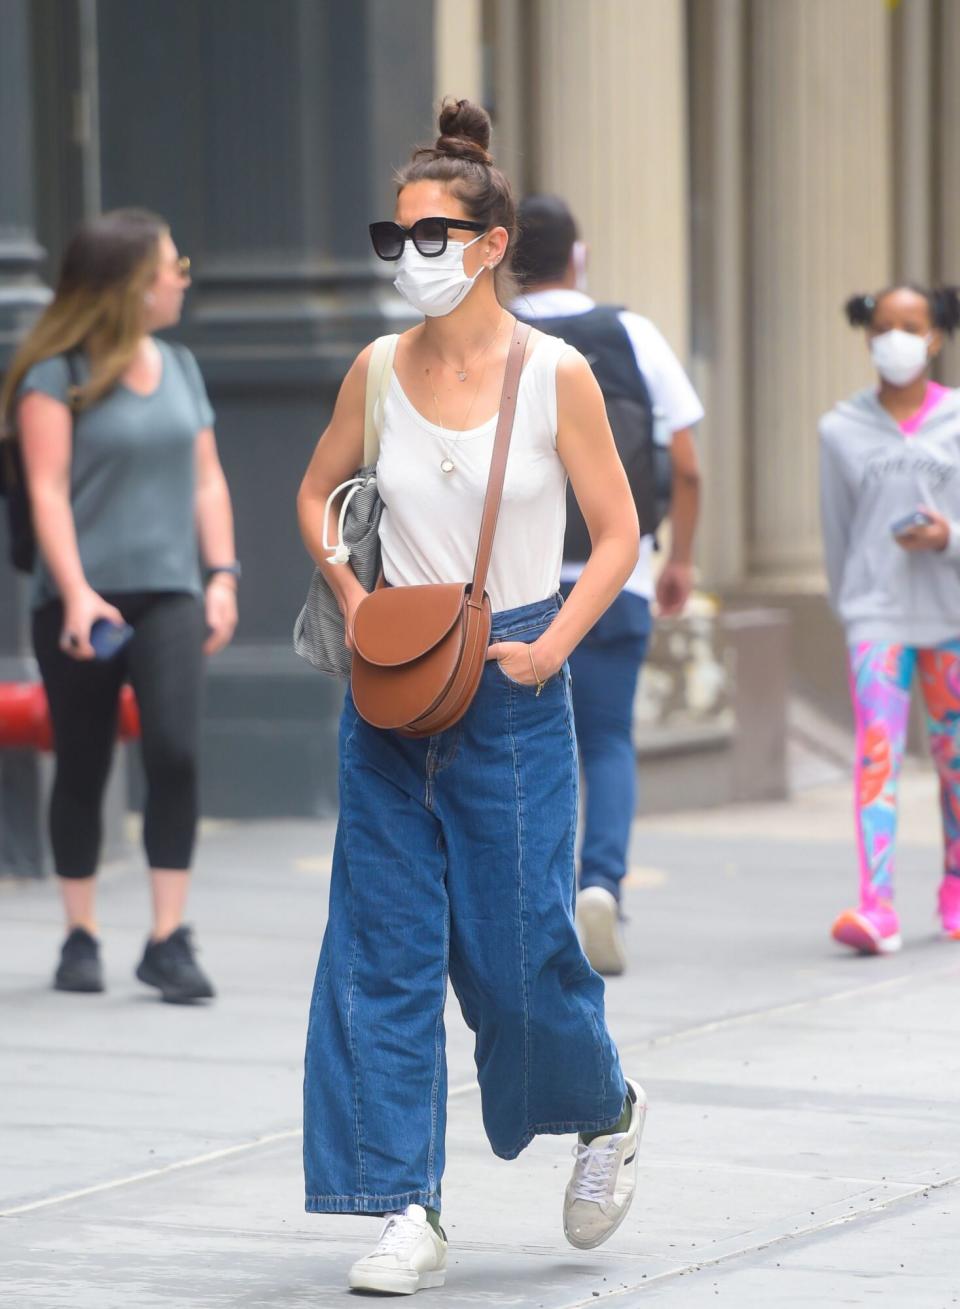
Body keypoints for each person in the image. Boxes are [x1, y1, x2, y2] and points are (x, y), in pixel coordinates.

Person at [297, 100, 646, 1296]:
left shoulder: (558, 377)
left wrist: (551, 647)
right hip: (390, 684)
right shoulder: (374, 370)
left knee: (519, 954)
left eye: (432, 237)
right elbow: (314, 492)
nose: (411, 260)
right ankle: (407, 1206)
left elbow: (617, 534)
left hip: (509, 677)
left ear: (492, 244)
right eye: (395, 240)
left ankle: (606, 1105)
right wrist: (348, 589)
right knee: (380, 954)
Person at [0, 208, 238, 1001]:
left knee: (176, 751)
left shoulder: (179, 366)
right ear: (132, 284)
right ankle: (81, 932)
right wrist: (74, 593)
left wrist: (224, 575)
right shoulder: (53, 374)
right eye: (172, 265)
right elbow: (47, 493)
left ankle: (167, 937)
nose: (182, 277)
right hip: (79, 598)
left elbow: (207, 478)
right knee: (83, 758)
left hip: (170, 588)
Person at [512, 194, 703, 976]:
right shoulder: (632, 334)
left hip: (514, 583)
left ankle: (534, 898)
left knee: (520, 747)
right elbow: (685, 465)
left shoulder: (500, 339)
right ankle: (601, 883)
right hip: (615, 571)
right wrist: (678, 558)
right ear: (578, 256)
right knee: (608, 739)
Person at [820, 283, 960, 955]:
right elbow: (837, 534)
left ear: (935, 336)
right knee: (877, 752)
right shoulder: (839, 429)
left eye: (910, 325)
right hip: (876, 616)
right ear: (868, 335)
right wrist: (849, 606)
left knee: (954, 759)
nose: (895, 338)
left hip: (951, 615)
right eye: (883, 326)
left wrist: (948, 536)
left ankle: (955, 887)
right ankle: (877, 905)